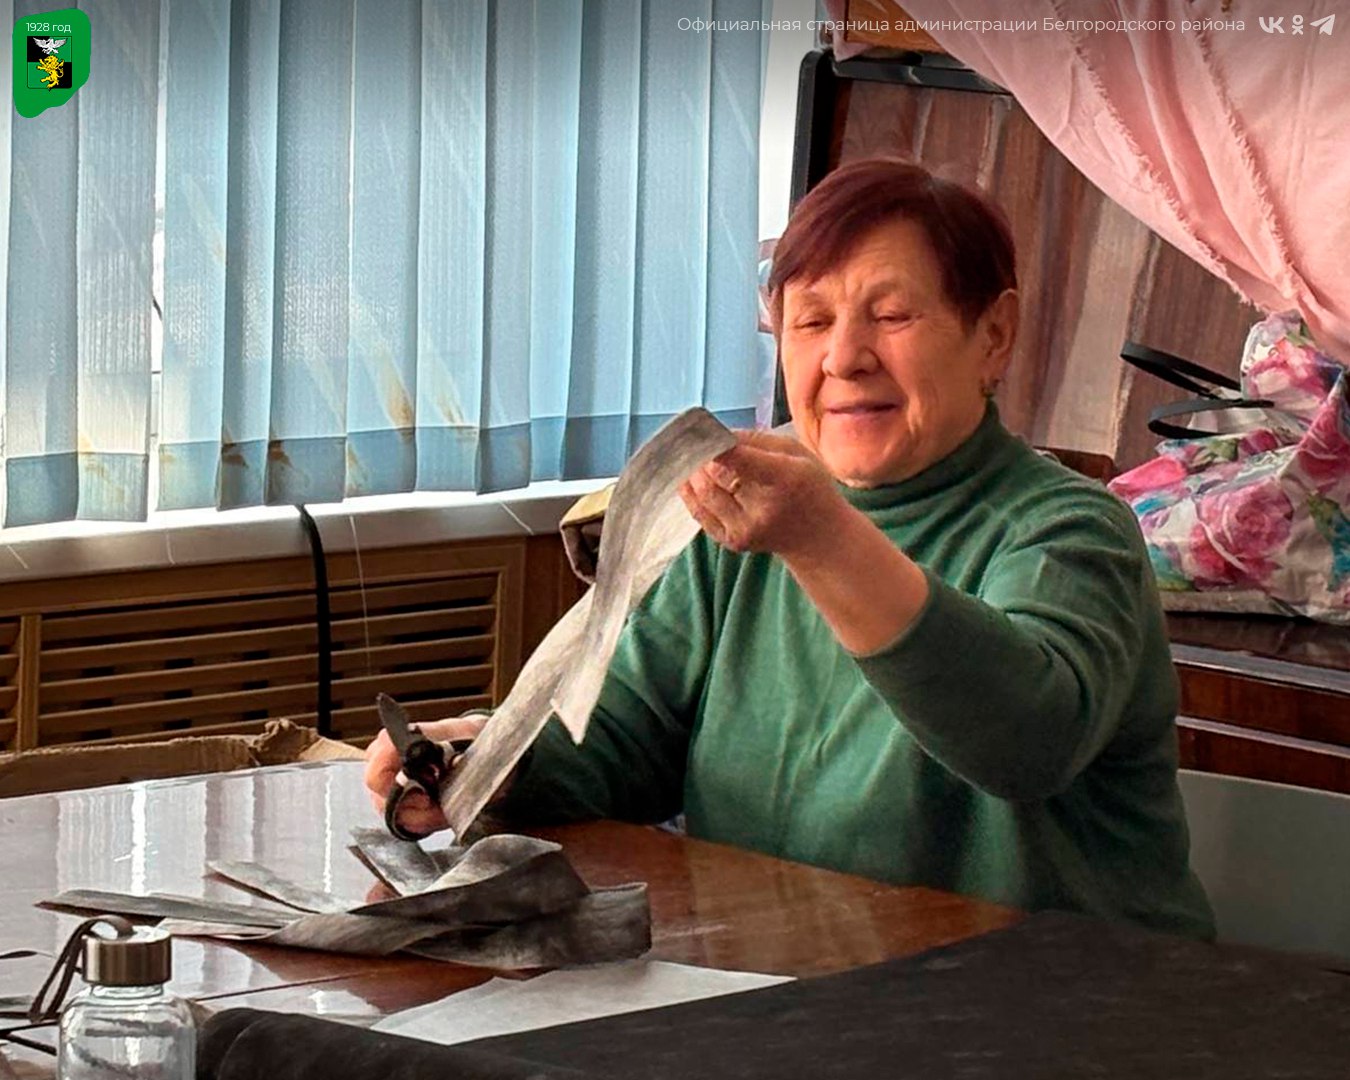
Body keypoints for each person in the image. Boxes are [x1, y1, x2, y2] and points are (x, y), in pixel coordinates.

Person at [365, 158, 1215, 939]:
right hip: (793, 985)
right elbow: (626, 745)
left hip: (1059, 1005)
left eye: (892, 316)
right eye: (810, 322)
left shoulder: (1068, 531)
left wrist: (823, 539)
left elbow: (1028, 742)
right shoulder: (742, 532)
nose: (843, 358)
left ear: (994, 334)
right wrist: (485, 760)